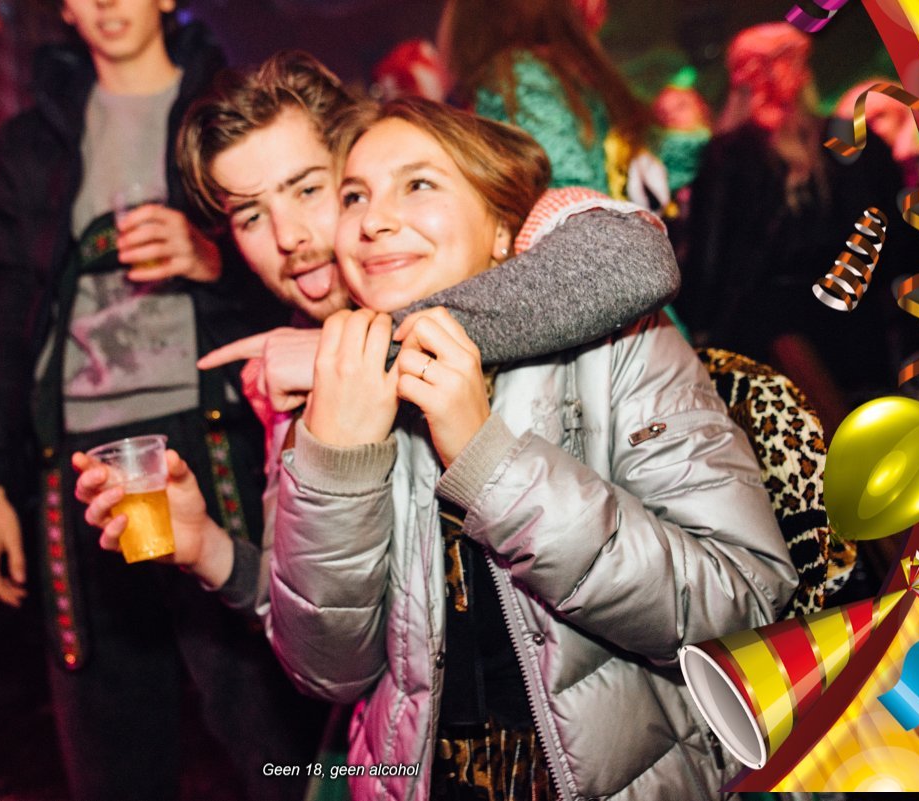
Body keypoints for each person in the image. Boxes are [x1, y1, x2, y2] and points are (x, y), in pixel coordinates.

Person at [268, 97, 797, 800]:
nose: (373, 221)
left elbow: (745, 607)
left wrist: (491, 463)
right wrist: (338, 464)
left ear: (501, 229)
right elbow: (327, 672)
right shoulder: (326, 390)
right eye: (354, 196)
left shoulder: (617, 348)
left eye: (418, 183)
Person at [74, 50, 683, 615]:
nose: (288, 237)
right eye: (252, 216)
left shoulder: (495, 237)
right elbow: (311, 609)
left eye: (308, 190)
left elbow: (632, 258)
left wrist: (361, 351)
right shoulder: (287, 369)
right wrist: (207, 547)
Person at [0, 3, 314, 800]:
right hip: (79, 456)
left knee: (270, 721)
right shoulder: (29, 141)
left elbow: (307, 276)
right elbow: (6, 316)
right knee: (109, 741)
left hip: (213, 439)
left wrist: (214, 259)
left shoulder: (227, 111)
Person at [677, 23, 914, 407]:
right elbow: (896, 242)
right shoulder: (851, 145)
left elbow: (710, 262)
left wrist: (701, 328)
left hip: (774, 335)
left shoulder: (728, 156)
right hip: (850, 328)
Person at [437, 0, 689, 208]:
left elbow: (631, 180)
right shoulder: (522, 75)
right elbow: (573, 200)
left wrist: (684, 132)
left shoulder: (563, 73)